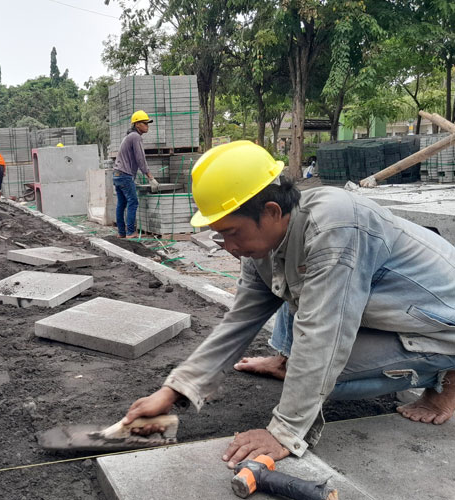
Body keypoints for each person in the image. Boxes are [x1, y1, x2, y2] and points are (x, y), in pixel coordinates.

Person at [123, 141, 455, 468]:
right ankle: (286, 362)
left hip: (439, 322)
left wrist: (284, 432)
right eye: (219, 235)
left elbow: (325, 335)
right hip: (386, 310)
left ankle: (446, 375)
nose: (229, 247)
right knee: (287, 287)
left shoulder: (334, 228)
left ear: (271, 211)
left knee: (327, 375)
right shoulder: (268, 239)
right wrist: (174, 390)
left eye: (232, 232)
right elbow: (239, 321)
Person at [113, 110, 159, 239]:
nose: (147, 126)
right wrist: (150, 177)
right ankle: (130, 232)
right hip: (124, 175)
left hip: (117, 174)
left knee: (121, 204)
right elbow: (140, 159)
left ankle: (121, 232)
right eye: (145, 123)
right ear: (137, 124)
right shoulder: (135, 137)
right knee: (133, 202)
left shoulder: (129, 137)